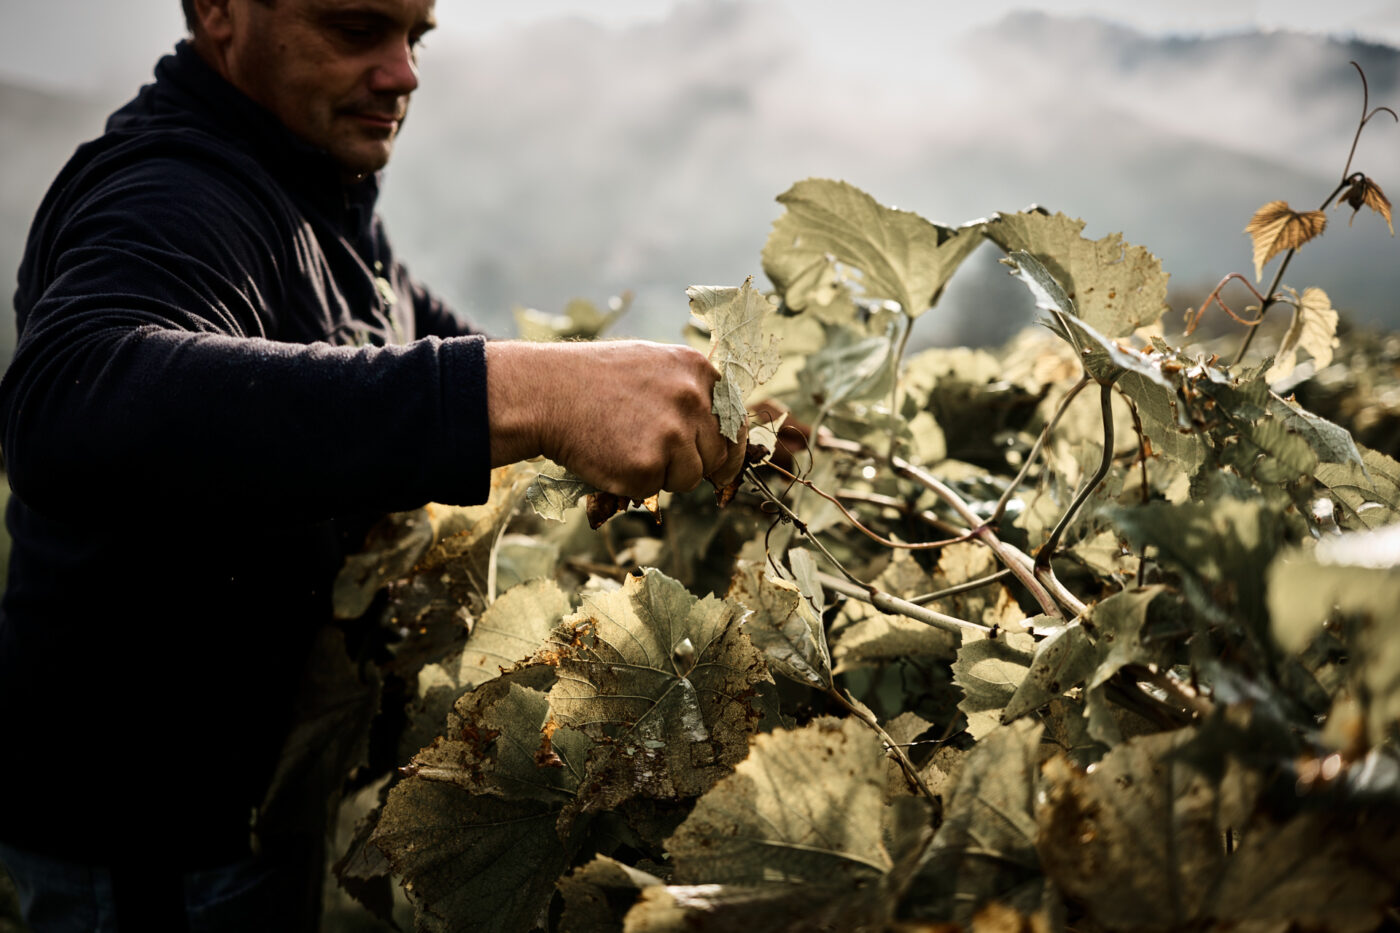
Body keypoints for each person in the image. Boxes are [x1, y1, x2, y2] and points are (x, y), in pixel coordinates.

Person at [0, 0, 745, 928]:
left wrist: (662, 398)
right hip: (150, 849)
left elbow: (407, 346)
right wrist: (533, 390)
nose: (403, 73)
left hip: (259, 807)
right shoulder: (173, 192)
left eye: (415, 36)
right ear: (219, 12)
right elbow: (68, 403)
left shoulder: (316, 191)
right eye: (356, 29)